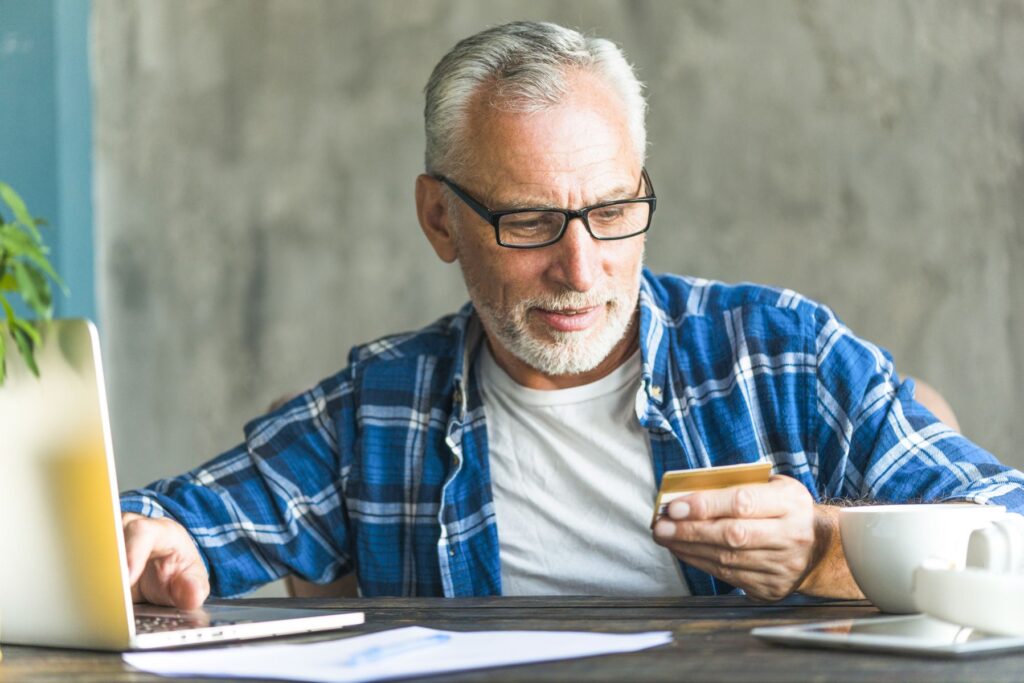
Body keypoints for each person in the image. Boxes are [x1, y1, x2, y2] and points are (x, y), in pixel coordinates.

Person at [120, 20, 1024, 610]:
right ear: (440, 219)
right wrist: (155, 543)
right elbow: (162, 524)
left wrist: (826, 547)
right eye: (529, 222)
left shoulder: (781, 357)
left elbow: (1007, 529)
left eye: (613, 211)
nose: (581, 268)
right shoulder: (381, 411)